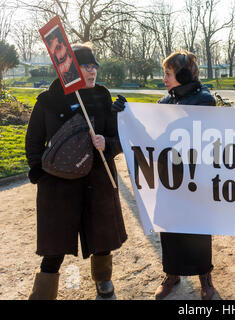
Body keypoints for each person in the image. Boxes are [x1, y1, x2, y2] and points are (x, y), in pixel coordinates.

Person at [25, 42, 127, 300]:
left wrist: (108, 144)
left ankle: (104, 281)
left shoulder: (103, 97)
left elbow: (118, 137)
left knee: (101, 235)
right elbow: (33, 140)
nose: (92, 72)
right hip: (59, 184)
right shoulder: (48, 100)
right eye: (85, 66)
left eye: (95, 67)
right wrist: (39, 171)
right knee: (54, 244)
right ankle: (44, 292)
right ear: (69, 69)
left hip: (97, 180)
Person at [155, 51, 217, 300]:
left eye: (168, 74)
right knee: (169, 227)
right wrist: (126, 112)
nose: (164, 79)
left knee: (198, 228)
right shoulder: (163, 104)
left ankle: (205, 276)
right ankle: (172, 273)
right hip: (170, 176)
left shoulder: (204, 100)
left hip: (196, 176)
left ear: (182, 74)